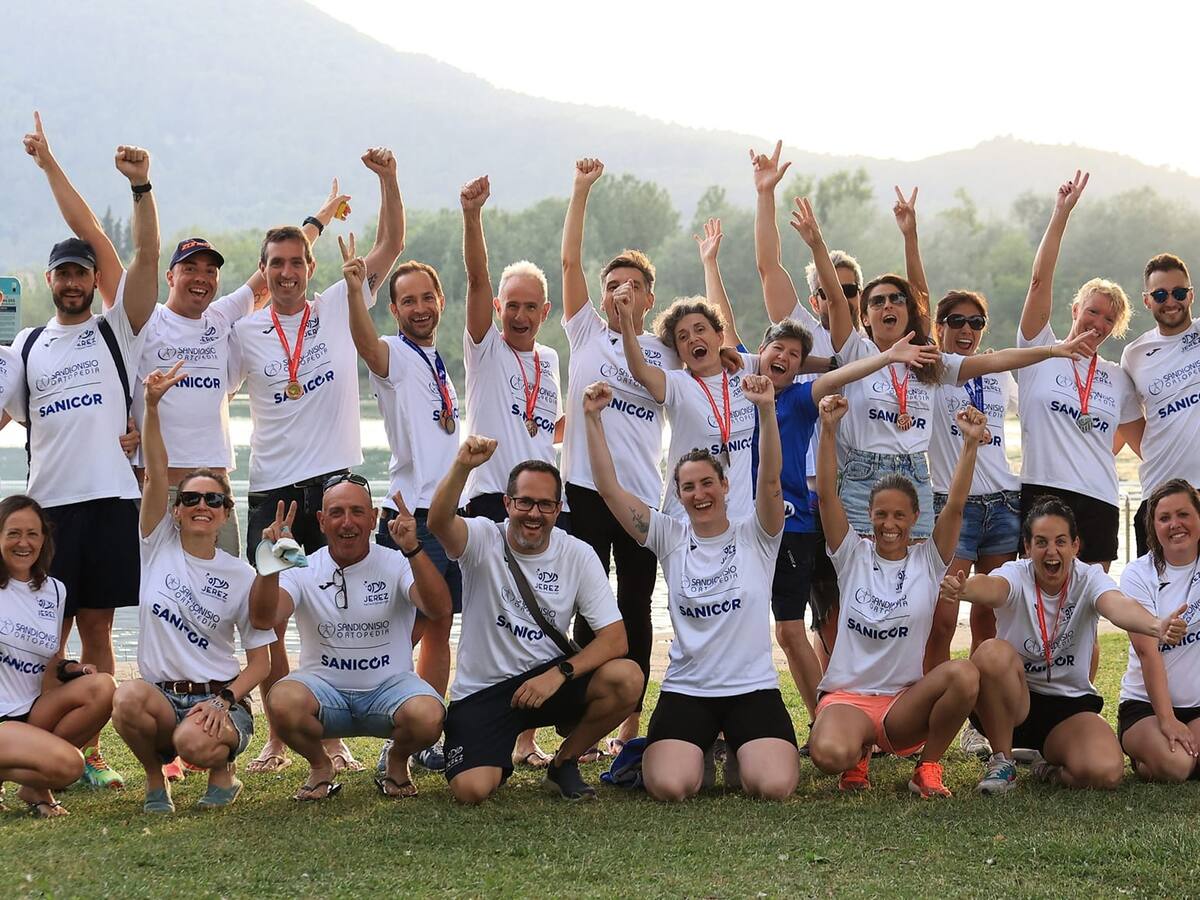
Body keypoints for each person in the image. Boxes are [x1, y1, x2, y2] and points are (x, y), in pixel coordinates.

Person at [229, 147, 405, 774]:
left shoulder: (338, 303)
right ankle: (283, 733)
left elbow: (391, 239)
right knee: (271, 616)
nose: (286, 272)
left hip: (334, 484)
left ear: (309, 266)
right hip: (272, 489)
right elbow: (204, 392)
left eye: (296, 262)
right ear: (264, 271)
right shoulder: (244, 331)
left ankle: (331, 733)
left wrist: (386, 178)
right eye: (275, 264)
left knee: (336, 605)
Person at [791, 195, 1093, 543]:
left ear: (908, 314)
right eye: (877, 301)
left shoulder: (930, 361)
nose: (888, 305)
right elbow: (834, 295)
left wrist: (1054, 349)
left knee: (915, 579)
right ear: (865, 317)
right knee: (862, 576)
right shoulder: (856, 350)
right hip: (862, 475)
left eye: (896, 299)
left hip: (916, 477)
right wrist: (817, 244)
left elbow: (995, 360)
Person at [18, 115, 161, 788]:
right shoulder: (24, 347)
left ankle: (93, 755)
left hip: (109, 498)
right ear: (50, 280)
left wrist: (140, 188)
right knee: (50, 629)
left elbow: (144, 259)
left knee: (99, 625)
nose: (74, 282)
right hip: (47, 507)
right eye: (64, 274)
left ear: (90, 278)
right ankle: (41, 739)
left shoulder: (117, 330)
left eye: (82, 272)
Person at [582, 372, 799, 799]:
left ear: (724, 485)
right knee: (669, 787)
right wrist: (592, 418)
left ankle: (740, 746)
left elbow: (771, 479)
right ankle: (698, 748)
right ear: (678, 495)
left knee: (773, 787)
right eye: (688, 487)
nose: (699, 494)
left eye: (706, 483)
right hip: (689, 689)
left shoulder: (758, 534)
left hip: (751, 688)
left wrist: (767, 411)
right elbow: (609, 490)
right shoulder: (670, 536)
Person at [427, 438, 644, 803]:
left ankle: (564, 762)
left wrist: (558, 675)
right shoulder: (481, 537)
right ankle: (489, 751)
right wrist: (463, 466)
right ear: (507, 503)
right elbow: (438, 521)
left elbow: (616, 639)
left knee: (628, 677)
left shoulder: (577, 553)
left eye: (545, 504)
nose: (534, 513)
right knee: (471, 791)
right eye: (525, 502)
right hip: (484, 690)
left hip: (550, 681)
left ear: (558, 509)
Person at [753, 322, 940, 722]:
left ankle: (823, 718)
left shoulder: (801, 398)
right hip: (744, 526)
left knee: (789, 630)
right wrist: (713, 265)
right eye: (777, 349)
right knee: (744, 624)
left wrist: (888, 357)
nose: (783, 358)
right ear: (760, 351)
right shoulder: (740, 386)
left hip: (795, 526)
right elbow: (723, 332)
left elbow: (841, 374)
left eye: (794, 355)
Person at [110, 365, 273, 812]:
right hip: (162, 694)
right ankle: (153, 779)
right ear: (177, 511)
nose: (202, 505)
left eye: (213, 499)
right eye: (191, 499)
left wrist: (225, 699)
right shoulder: (156, 544)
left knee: (192, 742)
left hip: (218, 695)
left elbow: (261, 662)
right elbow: (157, 471)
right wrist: (151, 406)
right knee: (124, 699)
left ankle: (223, 774)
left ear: (225, 513)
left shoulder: (242, 573)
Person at [942, 496, 1187, 793]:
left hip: (1067, 707)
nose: (1051, 551)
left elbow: (1116, 604)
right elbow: (993, 588)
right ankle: (1002, 760)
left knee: (1106, 772)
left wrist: (1156, 625)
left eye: (1060, 541)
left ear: (1075, 546)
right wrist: (965, 588)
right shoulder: (1016, 574)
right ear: (1027, 547)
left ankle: (1047, 768)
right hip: (1013, 700)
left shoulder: (1089, 578)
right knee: (992, 652)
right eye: (1041, 542)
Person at [810, 392, 986, 798]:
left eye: (899, 515)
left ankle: (927, 767)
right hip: (848, 699)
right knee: (827, 754)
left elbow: (956, 508)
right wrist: (829, 430)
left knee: (964, 674)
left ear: (914, 519)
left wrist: (970, 443)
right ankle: (856, 756)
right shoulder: (851, 553)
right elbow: (825, 497)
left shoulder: (928, 560)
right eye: (881, 515)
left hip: (901, 706)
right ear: (870, 516)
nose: (890, 524)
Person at [559, 157, 674, 753]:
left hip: (639, 497)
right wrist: (581, 191)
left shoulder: (663, 351)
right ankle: (583, 724)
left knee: (634, 607)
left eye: (632, 286)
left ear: (650, 297)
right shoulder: (582, 333)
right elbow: (569, 261)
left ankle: (630, 728)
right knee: (582, 603)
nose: (620, 293)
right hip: (581, 487)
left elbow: (716, 342)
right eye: (613, 285)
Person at [250, 475, 451, 801]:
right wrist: (269, 564)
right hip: (325, 694)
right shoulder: (302, 567)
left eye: (357, 512)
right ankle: (320, 766)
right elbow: (263, 619)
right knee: (281, 700)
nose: (347, 522)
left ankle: (398, 762)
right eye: (337, 512)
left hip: (389, 691)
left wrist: (414, 548)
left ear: (373, 518)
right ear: (321, 520)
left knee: (429, 714)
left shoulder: (396, 562)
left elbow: (438, 608)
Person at [459, 175, 568, 766]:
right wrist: (472, 217)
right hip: (490, 503)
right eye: (512, 304)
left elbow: (545, 425)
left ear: (544, 311)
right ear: (498, 307)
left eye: (531, 306)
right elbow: (476, 276)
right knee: (490, 618)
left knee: (543, 615)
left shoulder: (551, 359)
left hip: (546, 505)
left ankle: (528, 736)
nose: (521, 315)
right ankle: (484, 724)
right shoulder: (484, 349)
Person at [345, 238, 460, 775]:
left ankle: (424, 734)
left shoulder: (437, 360)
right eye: (407, 300)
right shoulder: (393, 355)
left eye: (426, 297)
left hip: (447, 512)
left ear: (440, 299)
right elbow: (366, 346)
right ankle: (386, 733)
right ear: (394, 310)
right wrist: (353, 291)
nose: (419, 308)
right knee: (405, 629)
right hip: (411, 513)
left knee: (441, 623)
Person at [751, 139, 866, 671]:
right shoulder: (796, 335)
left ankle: (858, 698)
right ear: (812, 293)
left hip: (851, 486)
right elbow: (768, 264)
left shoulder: (859, 339)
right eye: (824, 289)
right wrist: (765, 195)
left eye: (846, 290)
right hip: (800, 494)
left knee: (853, 605)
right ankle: (832, 703)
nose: (832, 298)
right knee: (817, 613)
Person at [1015, 171, 1139, 571]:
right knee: (1036, 606)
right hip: (1043, 493)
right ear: (1075, 309)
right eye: (1092, 311)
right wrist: (1061, 214)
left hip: (1098, 496)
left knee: (1089, 610)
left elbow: (1141, 442)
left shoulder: (1118, 377)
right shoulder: (1038, 349)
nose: (1098, 323)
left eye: (1109, 319)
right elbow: (1038, 281)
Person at [925, 291, 1022, 758]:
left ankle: (982, 724)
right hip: (952, 505)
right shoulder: (931, 372)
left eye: (976, 322)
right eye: (956, 321)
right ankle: (933, 715)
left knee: (989, 617)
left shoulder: (999, 372)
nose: (966, 330)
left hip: (1004, 503)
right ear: (939, 325)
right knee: (942, 617)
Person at [0, 495, 116, 817]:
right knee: (68, 767)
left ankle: (33, 782)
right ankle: (39, 786)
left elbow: (47, 659)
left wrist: (72, 668)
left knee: (104, 687)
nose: (23, 543)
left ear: (44, 539)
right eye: (13, 533)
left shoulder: (55, 590)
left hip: (32, 710)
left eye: (32, 534)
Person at [1116, 479, 1200, 782]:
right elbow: (1146, 651)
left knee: (1184, 762)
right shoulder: (1139, 574)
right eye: (1164, 518)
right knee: (1176, 766)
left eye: (1183, 514)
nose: (1175, 524)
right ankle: (1145, 755)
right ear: (1153, 526)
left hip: (1196, 708)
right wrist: (1167, 719)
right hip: (1146, 707)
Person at [1120, 253, 1200, 557]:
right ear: (1146, 300)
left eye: (1179, 293)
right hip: (1158, 498)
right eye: (1160, 294)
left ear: (1190, 294)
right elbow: (1130, 424)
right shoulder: (1133, 354)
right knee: (1155, 599)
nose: (1171, 301)